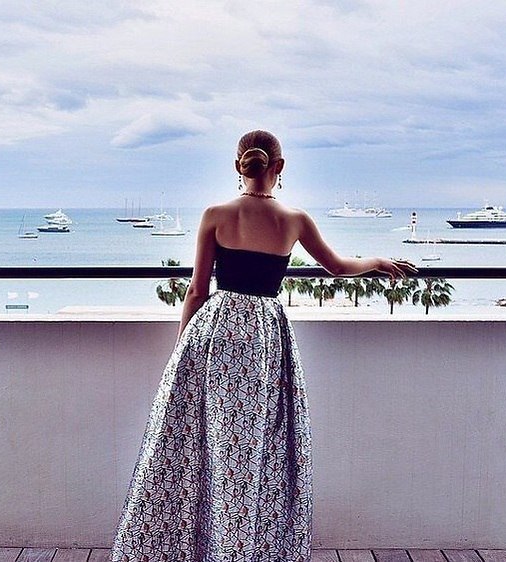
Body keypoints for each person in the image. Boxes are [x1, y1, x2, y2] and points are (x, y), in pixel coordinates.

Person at [110, 130, 416, 562]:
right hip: (264, 341)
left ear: (238, 166)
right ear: (279, 167)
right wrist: (379, 261)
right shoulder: (294, 220)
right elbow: (338, 267)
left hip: (215, 333)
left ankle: (195, 547)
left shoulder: (215, 215)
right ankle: (242, 547)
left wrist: (182, 350)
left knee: (207, 443)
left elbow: (197, 291)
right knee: (253, 447)